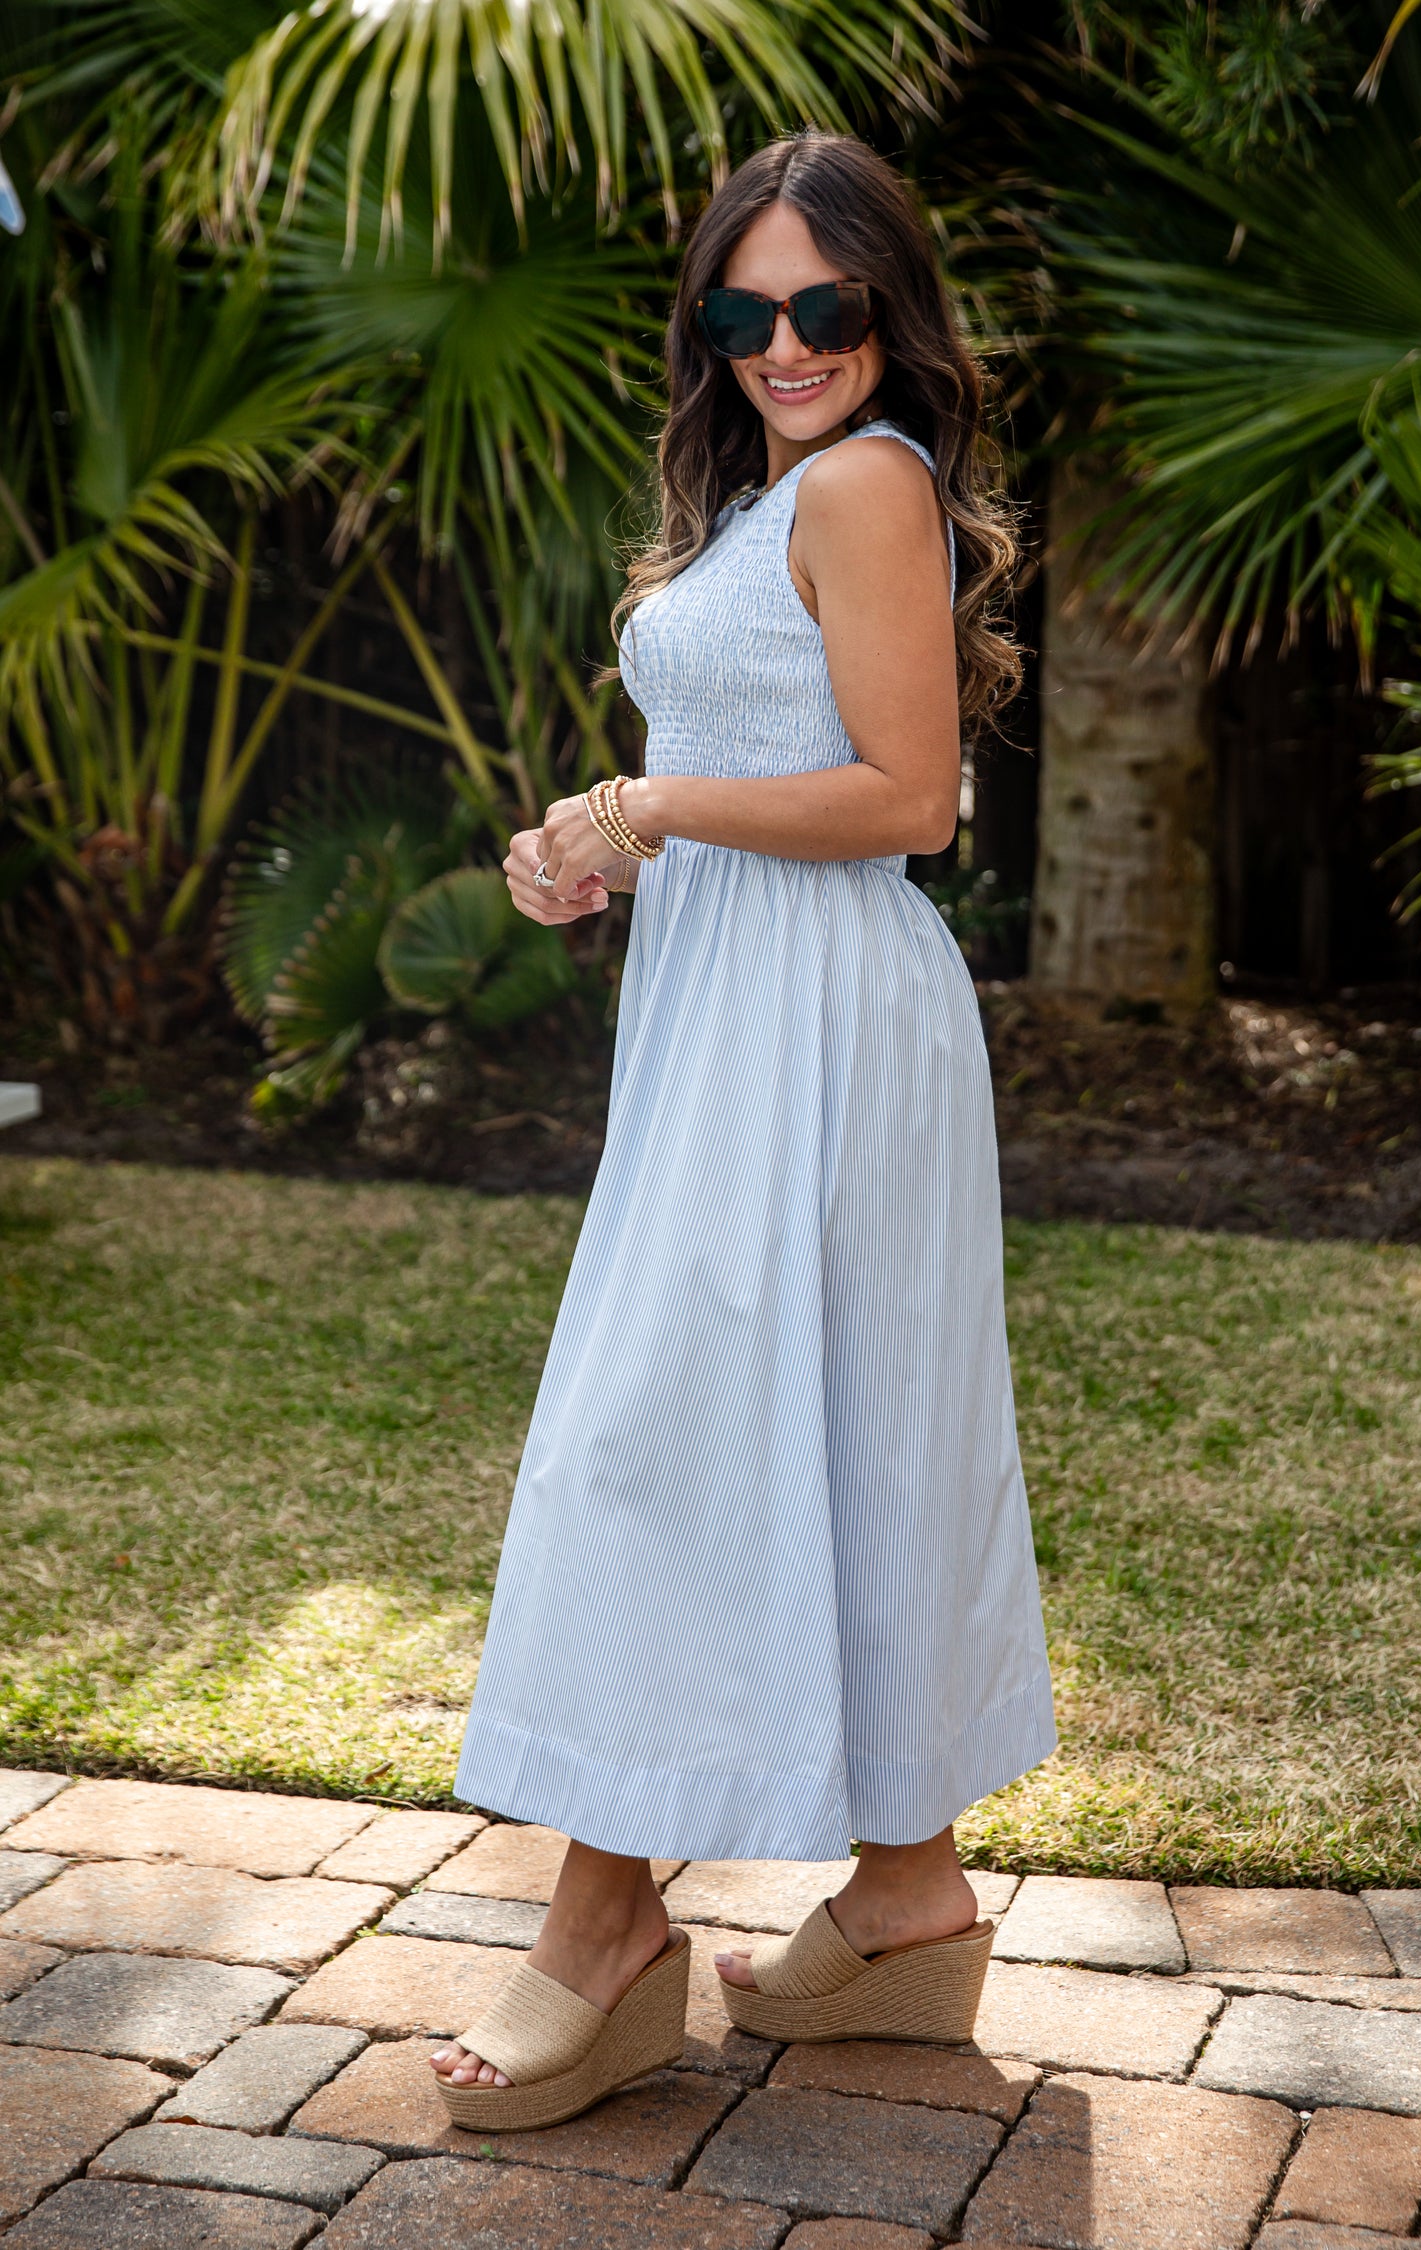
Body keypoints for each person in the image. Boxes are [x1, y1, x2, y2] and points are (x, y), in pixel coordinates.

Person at [430, 128, 1055, 2132]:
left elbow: (910, 802)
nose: (782, 341)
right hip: (737, 1006)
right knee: (850, 1423)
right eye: (742, 308)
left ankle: (605, 1931)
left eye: (824, 308)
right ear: (706, 320)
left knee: (671, 1431)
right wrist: (591, 852)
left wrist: (656, 808)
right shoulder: (768, 494)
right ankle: (905, 1902)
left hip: (819, 1022)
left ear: (888, 319)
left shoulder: (865, 483)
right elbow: (737, 758)